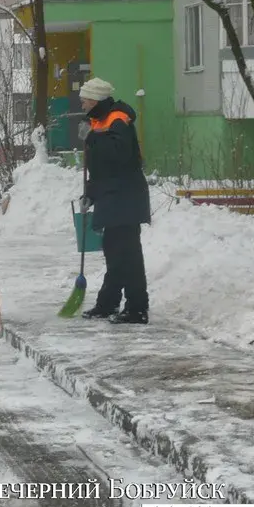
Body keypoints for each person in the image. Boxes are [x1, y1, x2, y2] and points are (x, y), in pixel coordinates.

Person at [78, 78, 151, 324]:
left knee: (127, 254)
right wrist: (90, 193)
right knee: (116, 252)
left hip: (125, 196)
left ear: (97, 100)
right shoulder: (99, 121)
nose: (82, 103)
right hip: (114, 195)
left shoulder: (117, 119)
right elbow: (100, 167)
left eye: (86, 99)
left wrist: (92, 138)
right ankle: (109, 303)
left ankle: (136, 308)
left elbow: (120, 155)